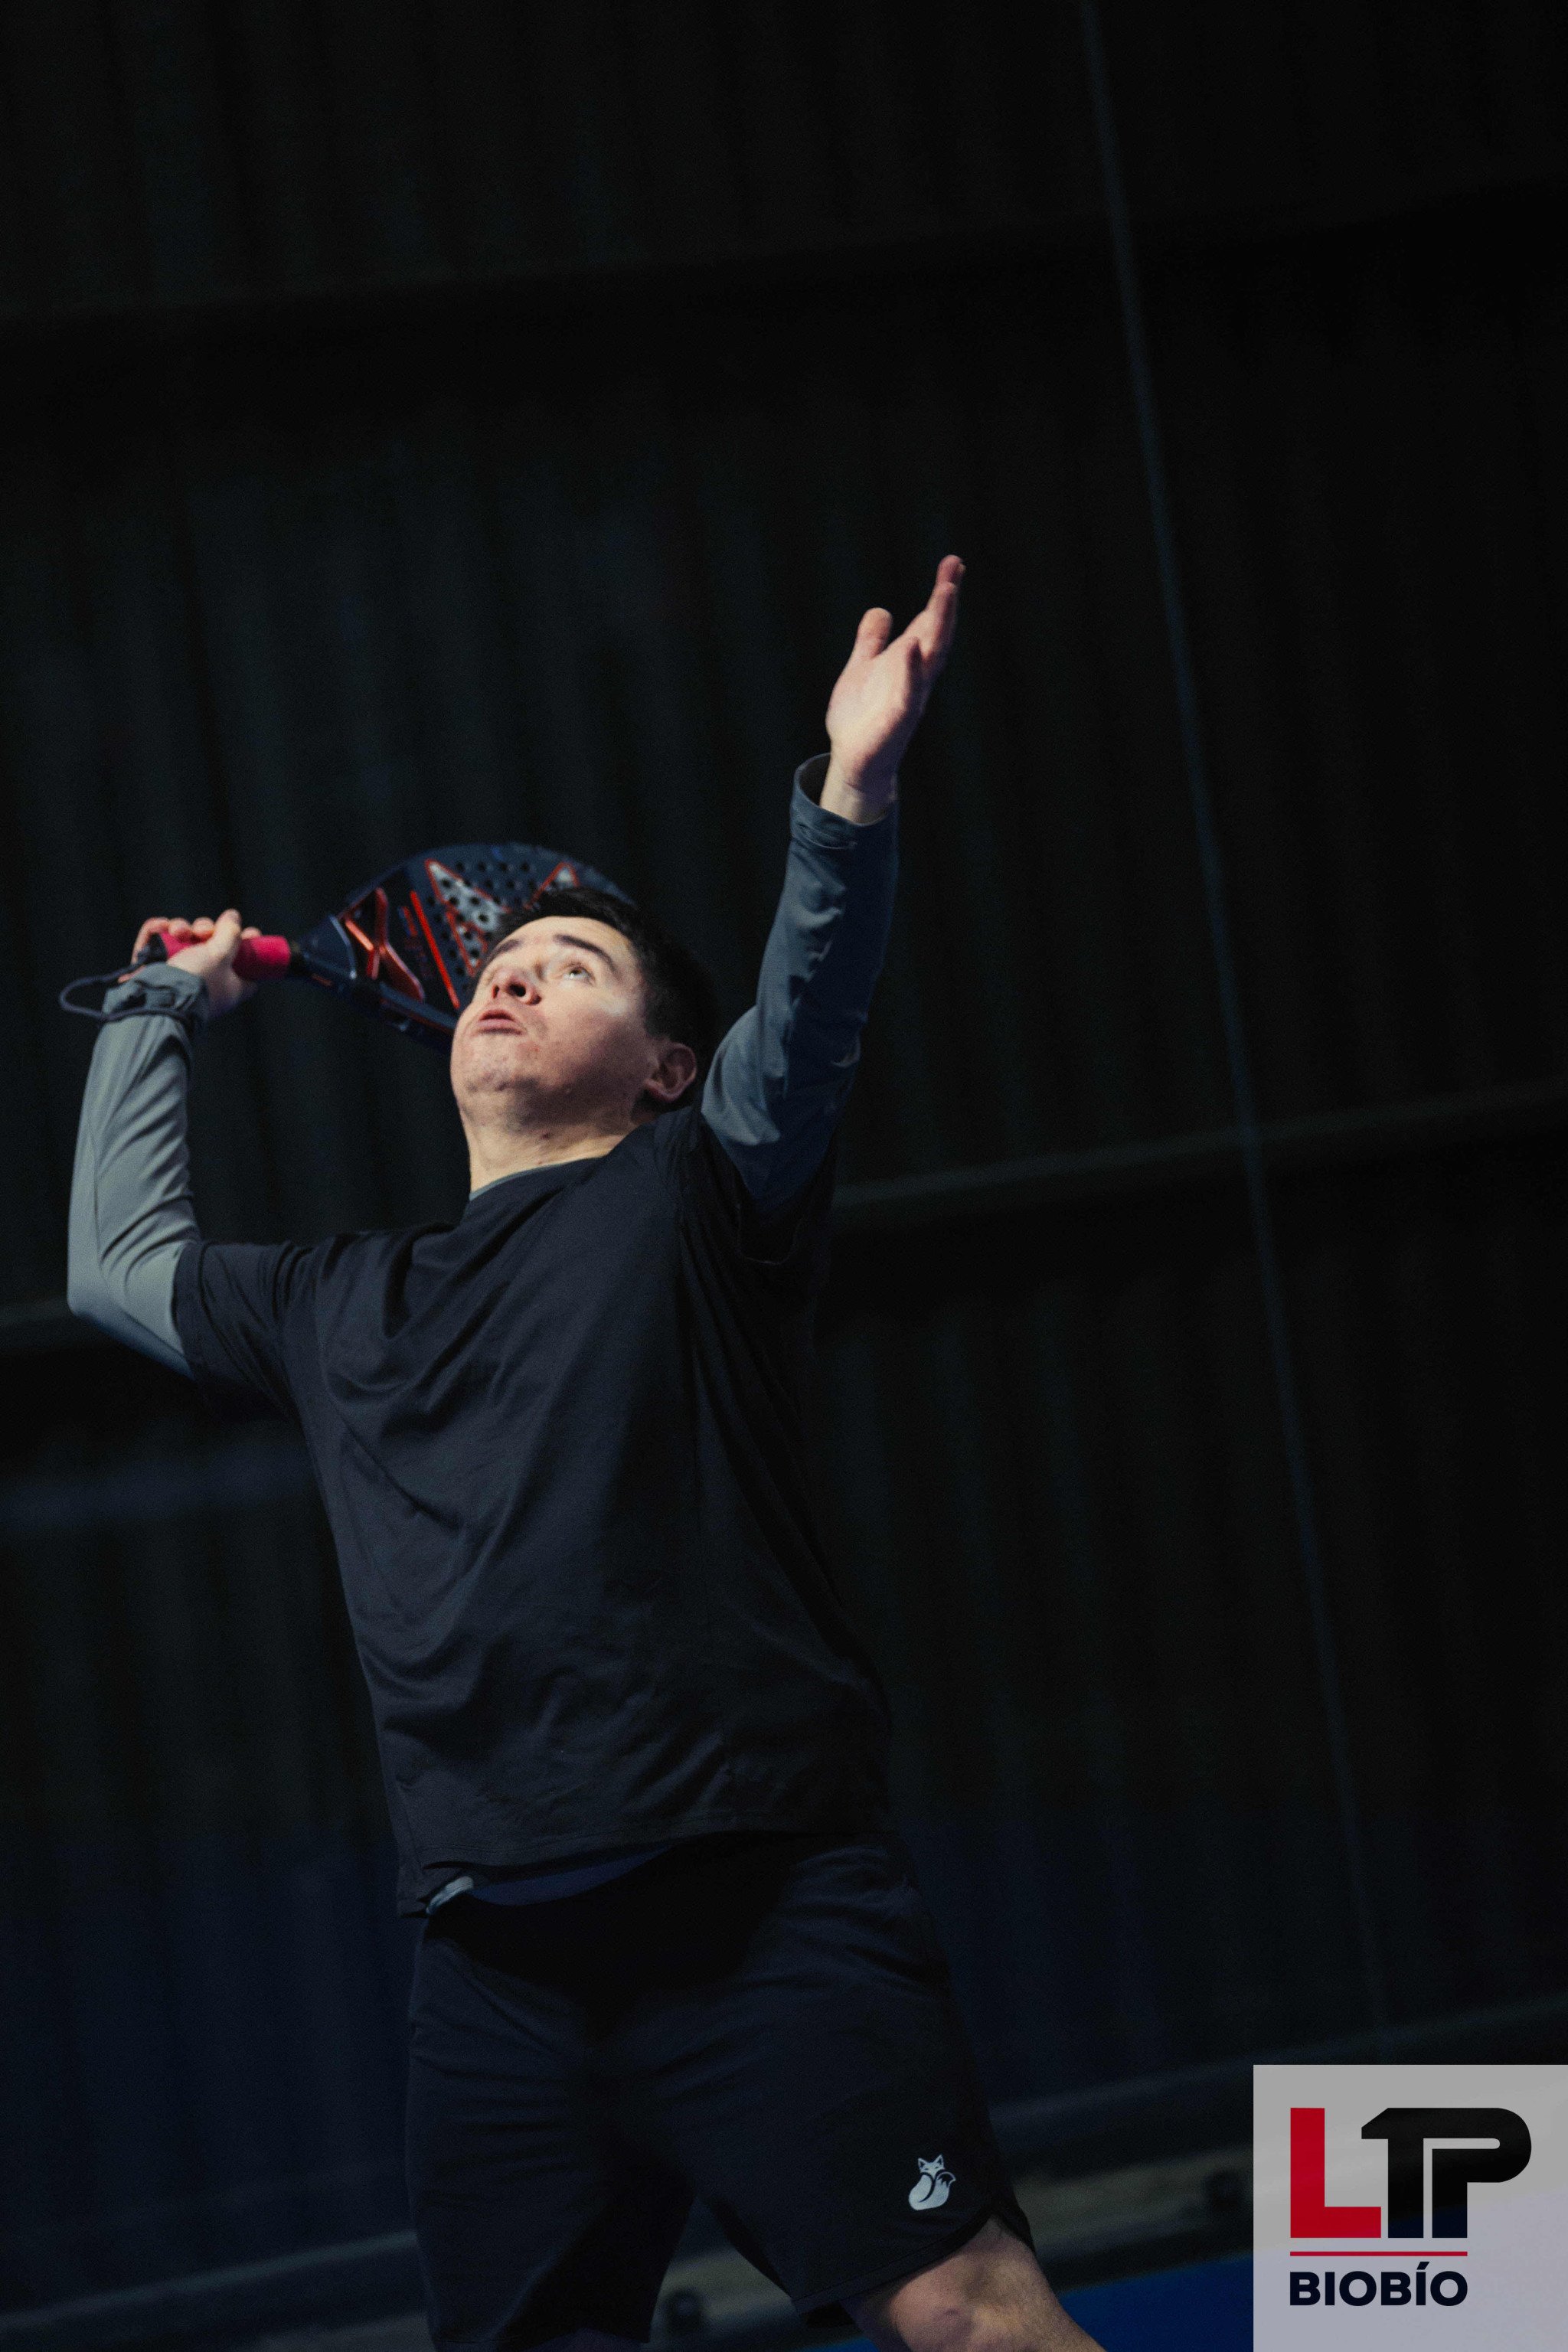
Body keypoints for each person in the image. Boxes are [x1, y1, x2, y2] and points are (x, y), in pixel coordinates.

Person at [68, 556, 1103, 2352]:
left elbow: (811, 1016)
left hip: (757, 1906)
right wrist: (162, 1008)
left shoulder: (702, 1198)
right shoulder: (335, 1300)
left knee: (968, 2316)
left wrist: (850, 798)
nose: (517, 981)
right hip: (494, 1975)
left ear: (667, 1068)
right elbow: (115, 1267)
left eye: (575, 968)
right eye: (501, 965)